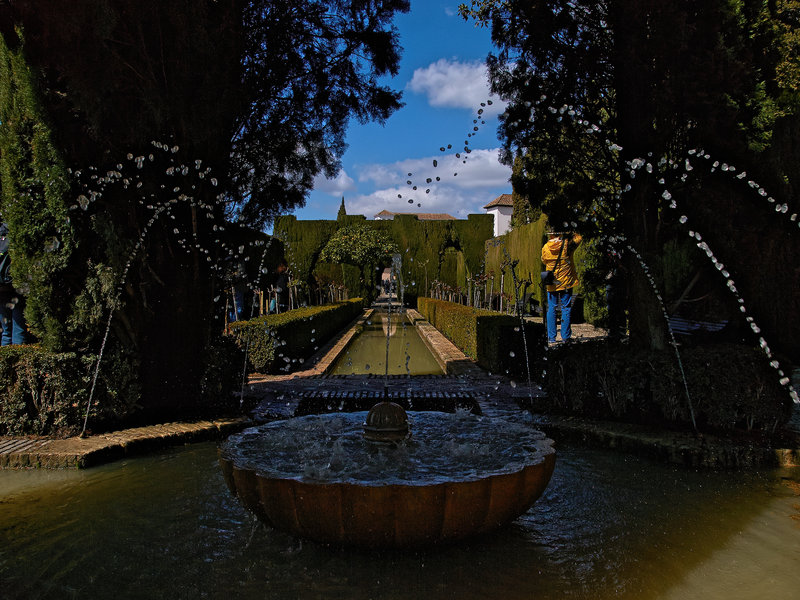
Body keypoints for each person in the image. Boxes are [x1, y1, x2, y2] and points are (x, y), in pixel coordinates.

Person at [541, 230, 582, 343]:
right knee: (566, 308)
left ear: (551, 234)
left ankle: (551, 337)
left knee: (552, 308)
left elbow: (544, 260)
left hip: (552, 282)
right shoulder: (567, 245)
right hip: (566, 282)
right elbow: (579, 238)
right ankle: (565, 337)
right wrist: (570, 231)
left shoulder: (545, 247)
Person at [0, 223, 31, 346]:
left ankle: (5, 362)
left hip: (1, 288)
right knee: (19, 330)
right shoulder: (18, 231)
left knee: (6, 332)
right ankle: (19, 362)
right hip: (15, 287)